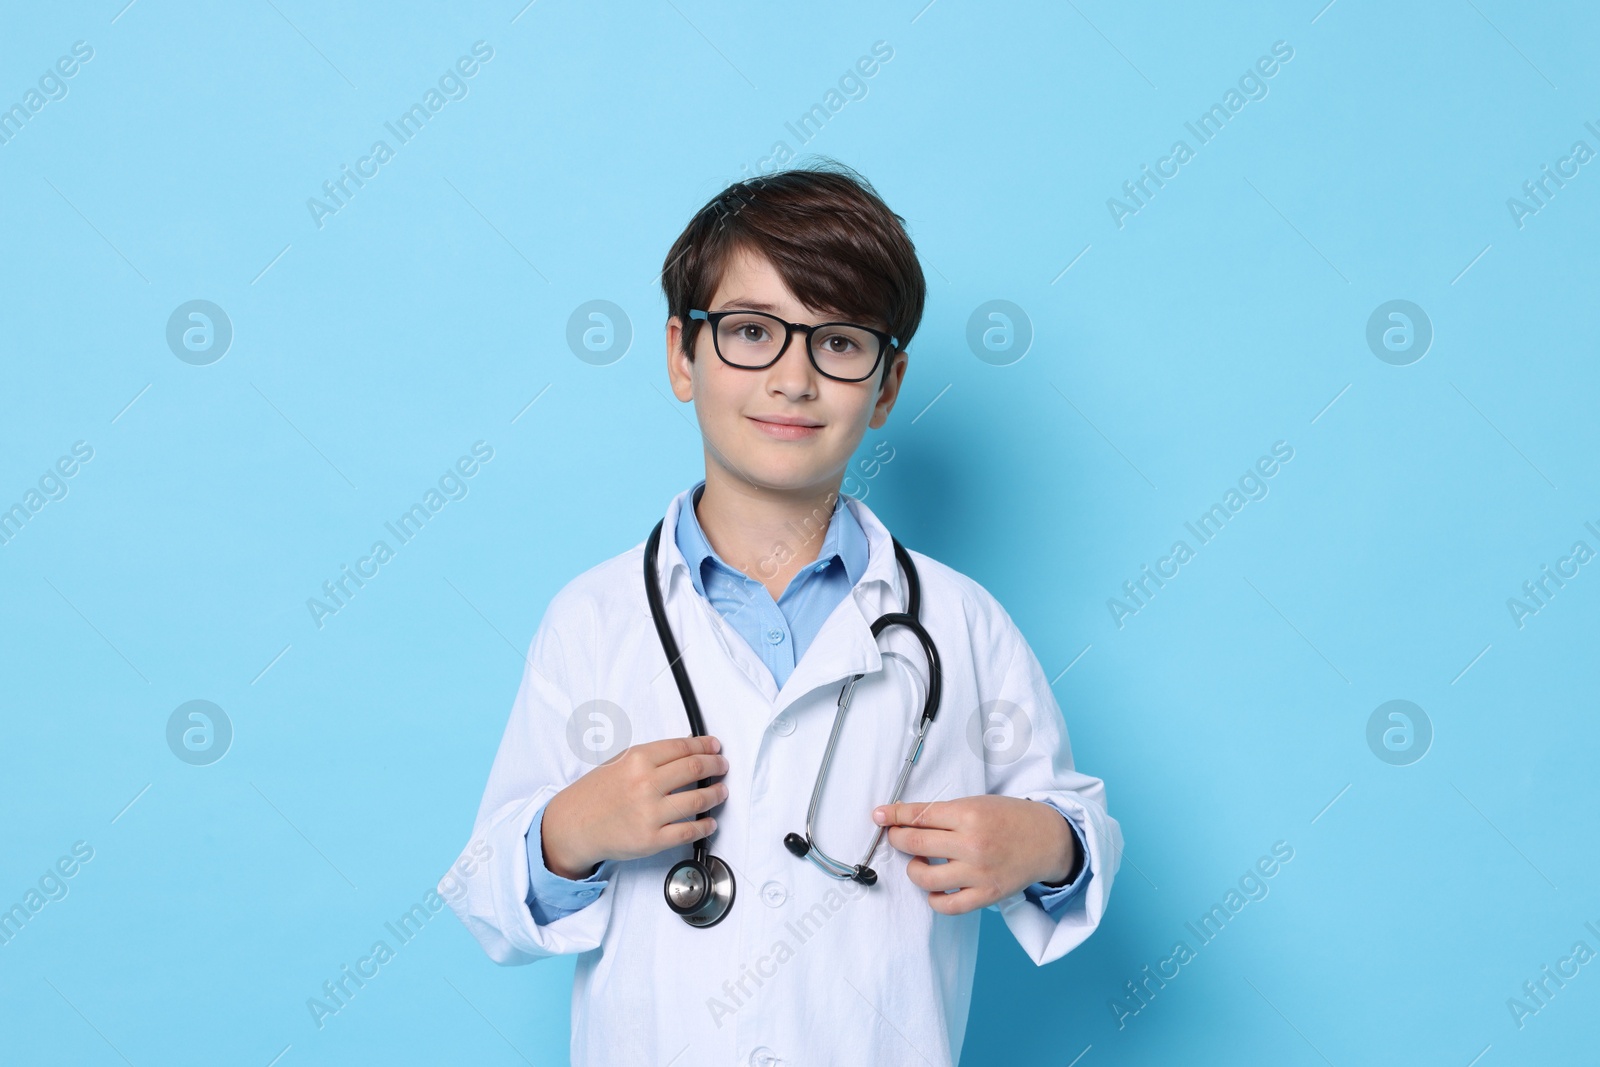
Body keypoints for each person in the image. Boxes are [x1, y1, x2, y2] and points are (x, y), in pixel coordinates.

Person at [441, 162, 1121, 1066]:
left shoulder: (961, 622)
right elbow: (491, 902)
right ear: (683, 355)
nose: (794, 378)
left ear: (885, 386)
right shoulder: (592, 619)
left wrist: (1045, 843)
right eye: (753, 332)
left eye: (838, 343)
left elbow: (1078, 828)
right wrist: (571, 831)